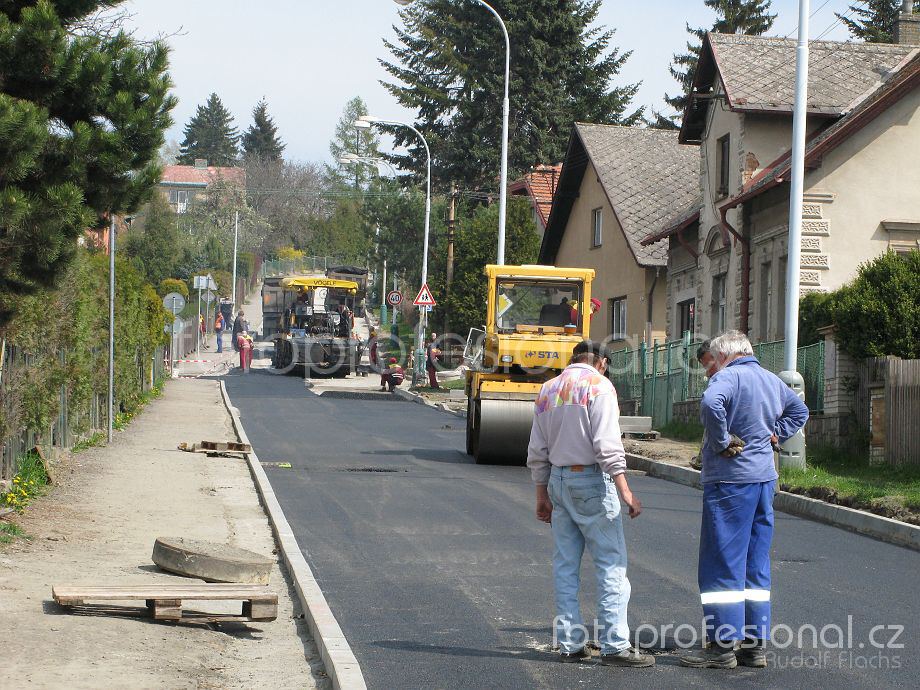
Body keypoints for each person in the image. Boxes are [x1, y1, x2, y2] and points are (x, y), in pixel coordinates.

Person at [680, 330, 808, 670]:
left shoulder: (729, 377)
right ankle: (753, 647)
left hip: (729, 482)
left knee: (722, 562)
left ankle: (721, 647)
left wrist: (722, 441)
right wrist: (776, 433)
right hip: (764, 480)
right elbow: (800, 411)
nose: (712, 369)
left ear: (724, 355)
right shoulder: (770, 380)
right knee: (756, 564)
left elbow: (710, 403)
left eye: (713, 362)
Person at [527, 340, 654, 668]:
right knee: (611, 563)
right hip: (592, 482)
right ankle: (614, 645)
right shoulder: (600, 386)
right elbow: (607, 444)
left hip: (558, 480)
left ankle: (570, 643)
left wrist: (541, 495)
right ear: (603, 363)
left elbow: (537, 450)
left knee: (565, 564)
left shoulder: (548, 390)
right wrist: (625, 490)